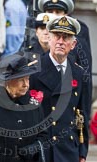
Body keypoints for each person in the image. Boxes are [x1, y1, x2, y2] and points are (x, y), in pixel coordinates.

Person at [30, 15, 89, 162]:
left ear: (73, 44)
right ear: (49, 39)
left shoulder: (79, 73)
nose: (61, 42)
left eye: (66, 38)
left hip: (68, 149)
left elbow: (82, 115)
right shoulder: (33, 71)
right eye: (57, 36)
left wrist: (82, 151)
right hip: (41, 149)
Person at [38, 0, 92, 119]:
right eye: (50, 11)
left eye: (58, 12)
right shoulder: (36, 38)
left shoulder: (79, 41)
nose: (54, 15)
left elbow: (85, 79)